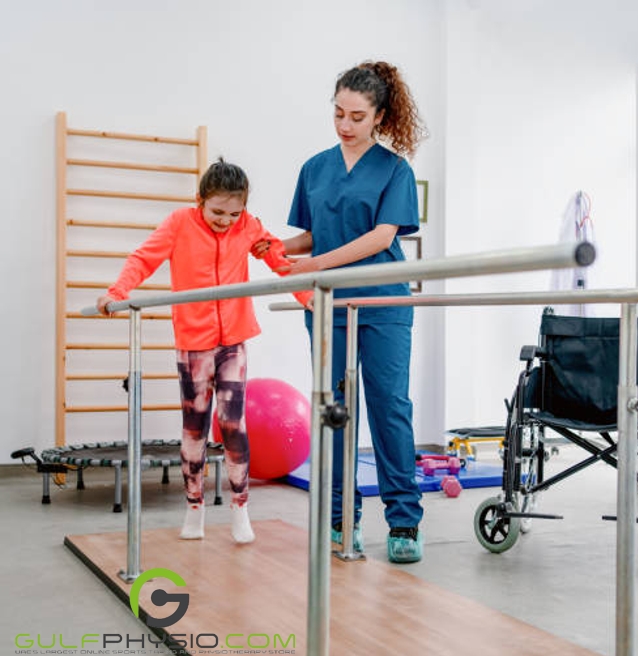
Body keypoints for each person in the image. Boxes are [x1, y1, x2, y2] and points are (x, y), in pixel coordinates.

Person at [96, 158, 311, 544]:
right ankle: (193, 507)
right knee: (194, 428)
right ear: (199, 200)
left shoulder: (247, 225)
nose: (226, 221)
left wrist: (310, 296)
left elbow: (279, 261)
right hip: (194, 342)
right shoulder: (179, 223)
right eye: (217, 212)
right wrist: (117, 292)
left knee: (233, 423)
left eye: (234, 213)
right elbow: (143, 259)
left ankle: (240, 508)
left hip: (233, 340)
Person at [279, 60, 426, 563]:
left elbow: (383, 237)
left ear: (379, 117)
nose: (345, 124)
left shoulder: (394, 169)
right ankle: (343, 520)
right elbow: (312, 234)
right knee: (335, 413)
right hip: (329, 306)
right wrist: (270, 248)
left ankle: (404, 522)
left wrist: (316, 263)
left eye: (357, 116)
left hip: (383, 302)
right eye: (338, 113)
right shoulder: (314, 168)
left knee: (389, 409)